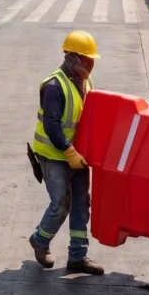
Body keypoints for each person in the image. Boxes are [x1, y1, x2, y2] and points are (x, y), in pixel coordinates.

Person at [28, 31, 104, 275]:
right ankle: (39, 241)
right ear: (73, 58)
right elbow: (52, 126)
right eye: (88, 60)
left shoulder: (86, 82)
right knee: (61, 204)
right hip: (54, 155)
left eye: (92, 61)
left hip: (78, 155)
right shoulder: (54, 86)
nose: (91, 65)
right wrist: (69, 152)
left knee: (82, 204)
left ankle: (78, 257)